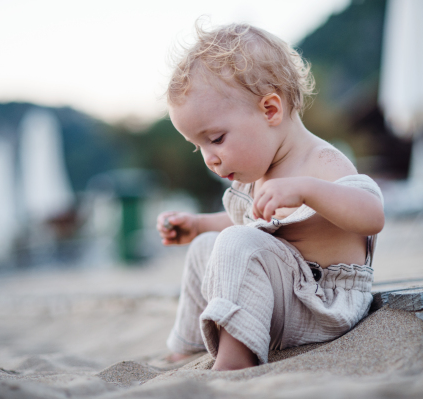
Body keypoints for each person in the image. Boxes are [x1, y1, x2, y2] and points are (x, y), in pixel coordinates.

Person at [156, 22, 385, 371]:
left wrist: (308, 190)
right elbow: (251, 222)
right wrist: (199, 224)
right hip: (281, 300)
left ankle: (235, 361)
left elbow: (372, 215)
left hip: (323, 304)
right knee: (208, 245)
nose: (209, 158)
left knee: (235, 242)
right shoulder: (259, 175)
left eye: (216, 139)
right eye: (197, 147)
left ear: (270, 110)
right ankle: (187, 346)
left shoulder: (320, 161)